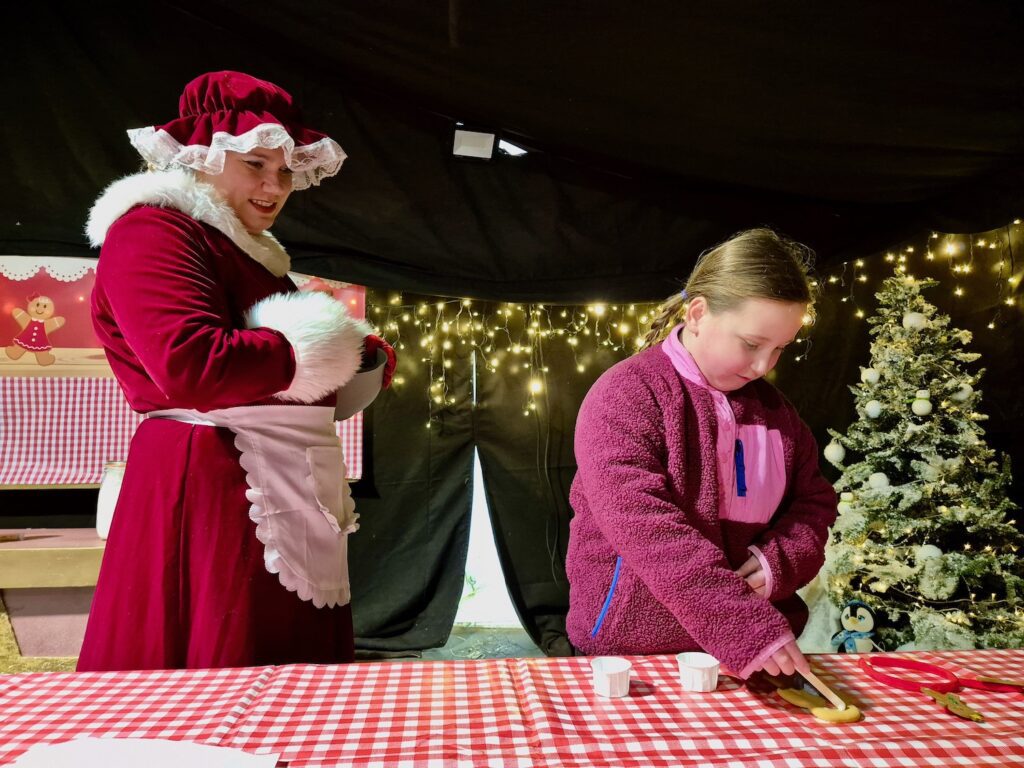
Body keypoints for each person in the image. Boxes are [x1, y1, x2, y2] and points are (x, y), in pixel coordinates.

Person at [78, 71, 394, 671]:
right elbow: (191, 364)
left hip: (274, 475)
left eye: (284, 171)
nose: (275, 186)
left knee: (285, 657)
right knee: (223, 660)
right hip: (212, 483)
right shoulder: (153, 231)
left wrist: (354, 359)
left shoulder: (240, 246)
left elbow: (273, 366)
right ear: (202, 155)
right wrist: (307, 349)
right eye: (255, 164)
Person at [565, 228, 837, 679]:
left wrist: (779, 562)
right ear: (697, 313)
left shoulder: (777, 413)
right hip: (630, 656)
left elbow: (815, 505)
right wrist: (742, 624)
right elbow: (648, 530)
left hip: (750, 659)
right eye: (751, 343)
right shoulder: (625, 394)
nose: (763, 367)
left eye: (780, 349)